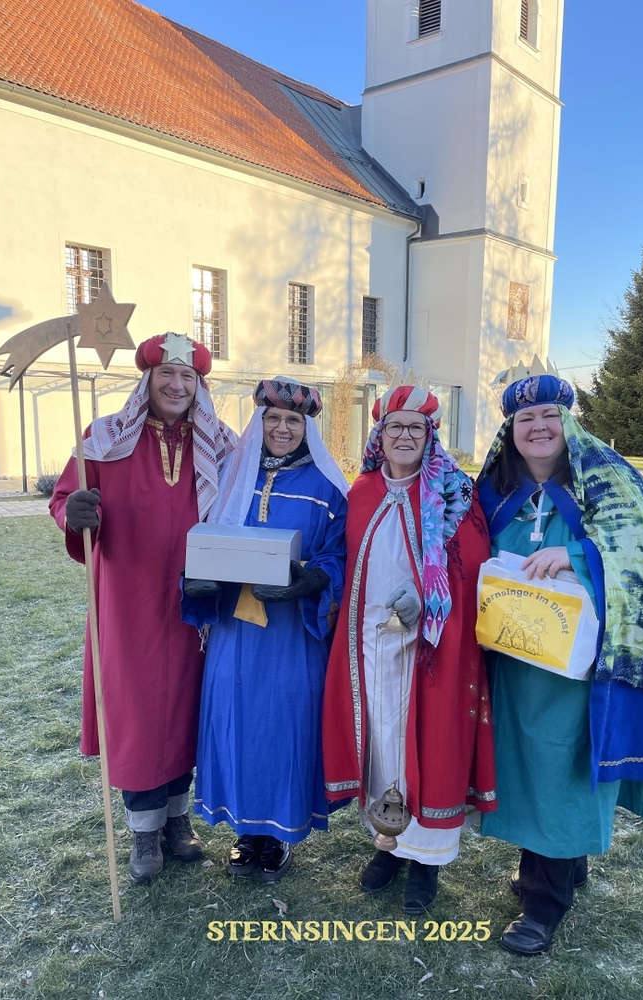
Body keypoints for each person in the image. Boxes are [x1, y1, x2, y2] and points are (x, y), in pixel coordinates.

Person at [476, 363, 643, 955]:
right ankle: (563, 868)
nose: (539, 427)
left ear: (569, 422)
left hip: (580, 668)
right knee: (526, 764)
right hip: (514, 660)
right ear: (511, 428)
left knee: (563, 767)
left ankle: (542, 904)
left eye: (550, 415)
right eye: (526, 417)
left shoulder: (606, 480)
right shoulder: (493, 488)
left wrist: (578, 556)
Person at [50, 333, 237, 883]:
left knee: (186, 705)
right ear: (148, 380)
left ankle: (177, 820)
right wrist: (74, 513)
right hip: (128, 599)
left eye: (188, 377)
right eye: (166, 375)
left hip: (195, 600)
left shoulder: (221, 443)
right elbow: (63, 498)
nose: (177, 385)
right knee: (136, 709)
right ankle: (143, 831)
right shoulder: (103, 438)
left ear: (199, 385)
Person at [322, 380, 498, 915]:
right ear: (379, 434)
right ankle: (388, 843)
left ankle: (427, 860)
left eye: (415, 428)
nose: (404, 435)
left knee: (431, 742)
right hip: (371, 650)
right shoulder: (362, 492)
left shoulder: (453, 494)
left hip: (431, 650)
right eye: (394, 426)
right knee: (382, 743)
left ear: (430, 435)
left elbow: (473, 564)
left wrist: (428, 599)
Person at [183, 377, 348, 883]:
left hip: (291, 633)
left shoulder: (327, 487)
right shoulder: (232, 474)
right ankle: (244, 831)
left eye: (293, 420)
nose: (282, 427)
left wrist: (314, 578)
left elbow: (340, 549)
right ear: (259, 421)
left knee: (284, 724)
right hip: (235, 632)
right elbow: (204, 535)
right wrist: (198, 577)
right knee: (235, 720)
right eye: (272, 417)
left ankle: (277, 834)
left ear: (307, 427)